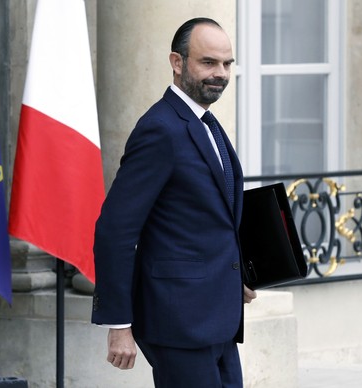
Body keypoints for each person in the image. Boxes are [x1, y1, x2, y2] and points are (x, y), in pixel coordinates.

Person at [91, 17, 258, 387]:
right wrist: (119, 324)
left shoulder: (207, 124)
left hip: (218, 318)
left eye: (227, 64)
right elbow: (115, 229)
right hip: (177, 322)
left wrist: (237, 277)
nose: (220, 73)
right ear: (177, 62)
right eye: (208, 62)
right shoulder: (160, 128)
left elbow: (206, 219)